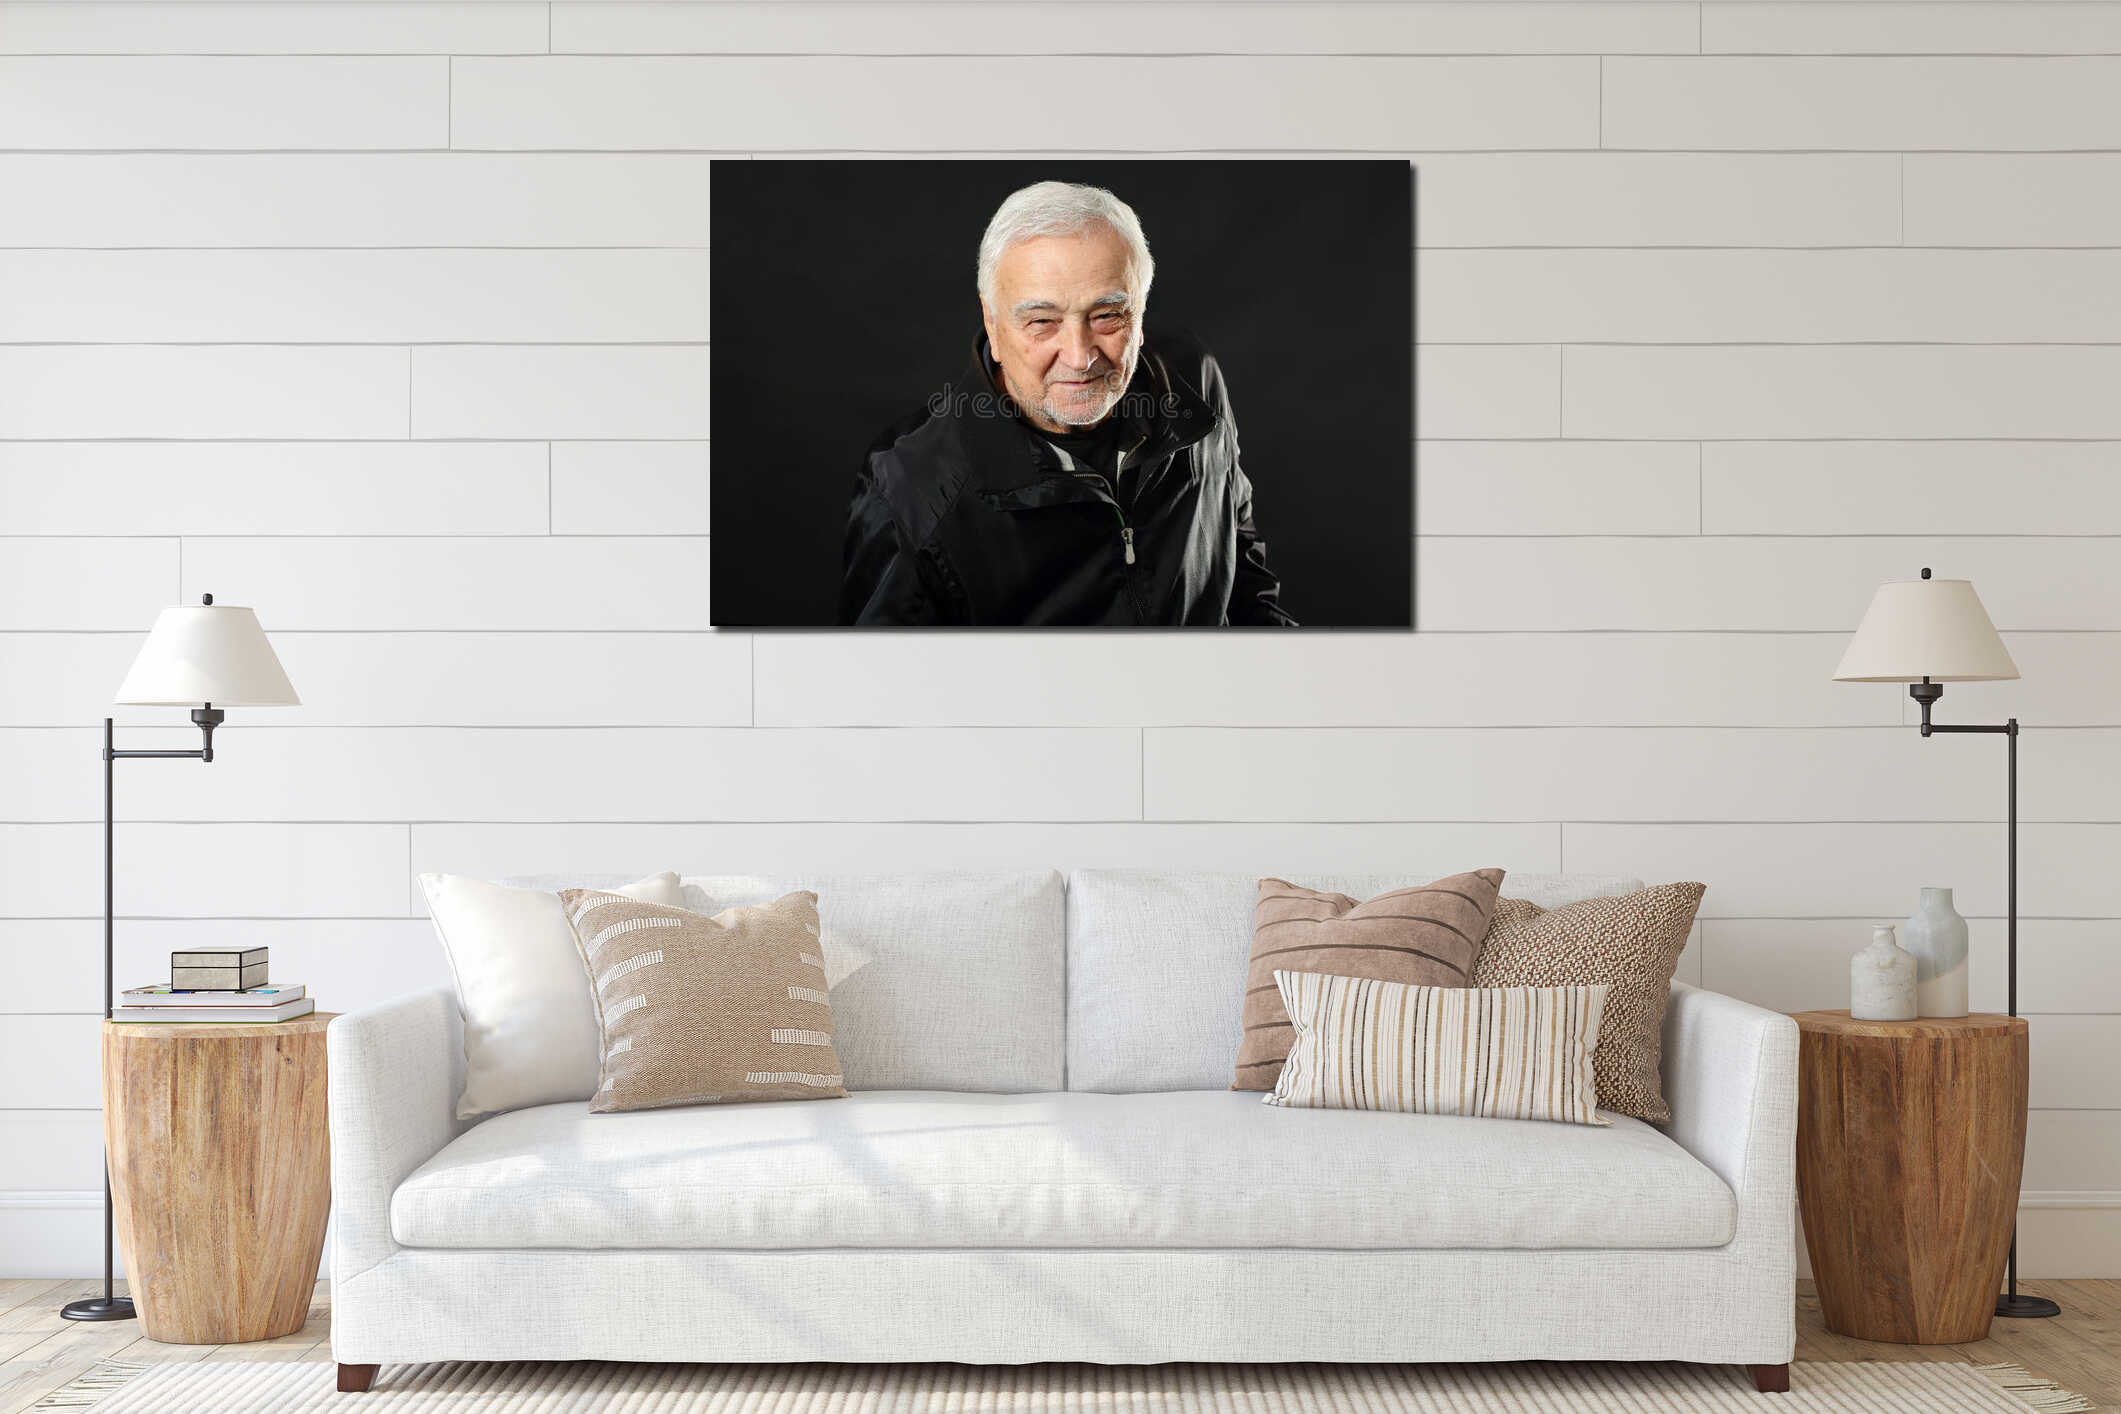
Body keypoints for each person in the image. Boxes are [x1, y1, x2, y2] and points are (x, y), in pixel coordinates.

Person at [839, 180, 1295, 626]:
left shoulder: (1192, 378)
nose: (1079, 357)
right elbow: (893, 688)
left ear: (1139, 311)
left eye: (1107, 316)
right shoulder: (906, 485)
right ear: (992, 323)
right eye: (1042, 321)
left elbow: (1243, 579)